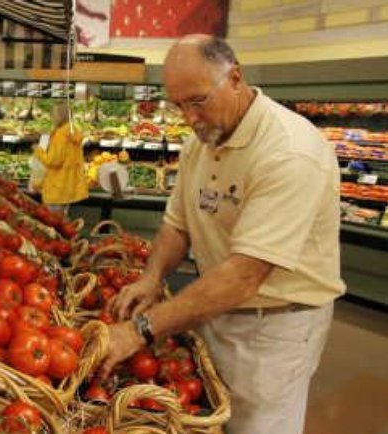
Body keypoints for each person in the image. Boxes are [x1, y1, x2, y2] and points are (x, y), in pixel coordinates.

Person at [98, 35, 345, 434]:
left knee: (258, 426)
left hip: (276, 325)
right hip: (216, 306)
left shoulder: (288, 152)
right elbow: (176, 225)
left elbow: (245, 274)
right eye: (178, 105)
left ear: (235, 78)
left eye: (197, 101)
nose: (189, 118)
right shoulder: (201, 142)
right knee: (219, 420)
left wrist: (141, 329)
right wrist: (152, 277)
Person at [33, 102, 88, 215]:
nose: (51, 117)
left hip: (56, 187)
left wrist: (38, 150)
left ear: (60, 116)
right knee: (62, 218)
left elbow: (53, 161)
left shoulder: (61, 136)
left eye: (53, 114)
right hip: (67, 185)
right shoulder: (72, 133)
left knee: (53, 220)